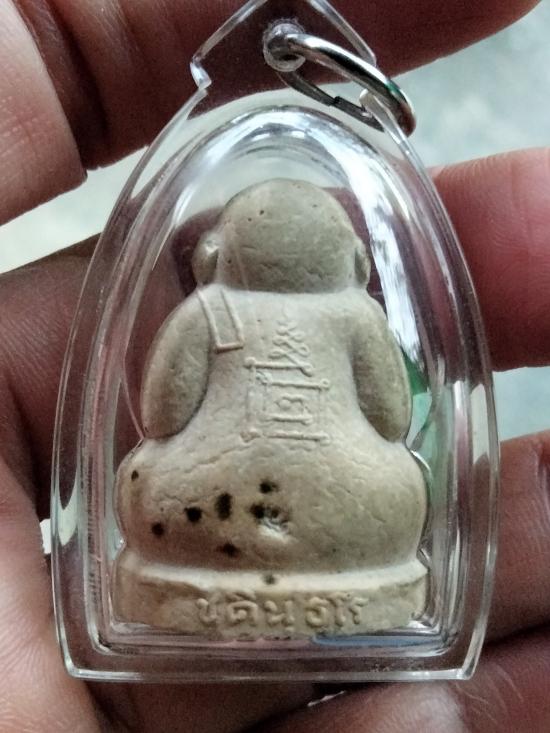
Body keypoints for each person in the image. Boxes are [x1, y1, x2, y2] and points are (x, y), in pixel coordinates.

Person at [0, 1, 548, 731]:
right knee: (400, 482)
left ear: (218, 250)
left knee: (146, 474)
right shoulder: (355, 314)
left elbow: (161, 413)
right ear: (349, 255)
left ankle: (193, 568)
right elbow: (393, 416)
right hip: (349, 516)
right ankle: (353, 569)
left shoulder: (209, 310)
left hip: (201, 513)